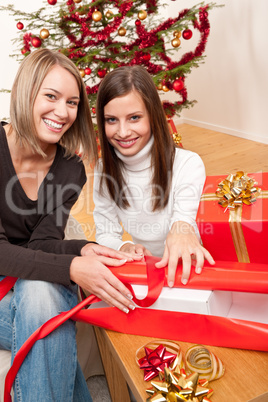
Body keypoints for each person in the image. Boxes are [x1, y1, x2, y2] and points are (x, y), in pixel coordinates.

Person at [0, 48, 138, 402]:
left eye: (72, 102)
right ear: (25, 92)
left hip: (23, 281)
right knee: (49, 306)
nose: (62, 112)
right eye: (51, 96)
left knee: (42, 293)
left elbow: (41, 242)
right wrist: (73, 266)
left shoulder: (69, 168)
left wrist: (81, 249)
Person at [93, 65, 215, 288]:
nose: (123, 132)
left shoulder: (188, 163)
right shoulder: (104, 169)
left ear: (153, 115)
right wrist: (124, 247)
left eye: (134, 118)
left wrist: (182, 229)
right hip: (146, 274)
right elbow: (106, 232)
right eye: (111, 120)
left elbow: (183, 219)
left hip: (191, 269)